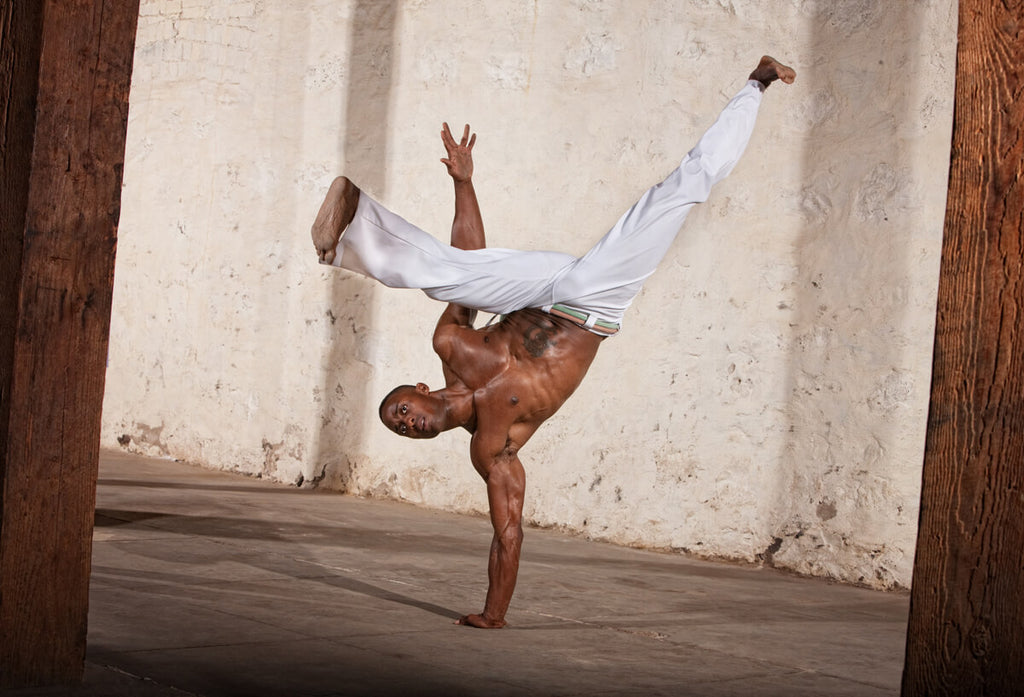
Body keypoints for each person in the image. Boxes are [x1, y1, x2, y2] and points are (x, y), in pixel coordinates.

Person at [312, 56, 796, 628]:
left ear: (418, 390)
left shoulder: (451, 347)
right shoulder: (493, 445)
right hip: (592, 302)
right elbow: (508, 530)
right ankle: (757, 85)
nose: (405, 422)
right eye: (399, 428)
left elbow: (470, 264)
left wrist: (464, 186)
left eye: (399, 410)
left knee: (446, 276)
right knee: (678, 193)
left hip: (539, 289)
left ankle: (349, 228)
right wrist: (494, 613)